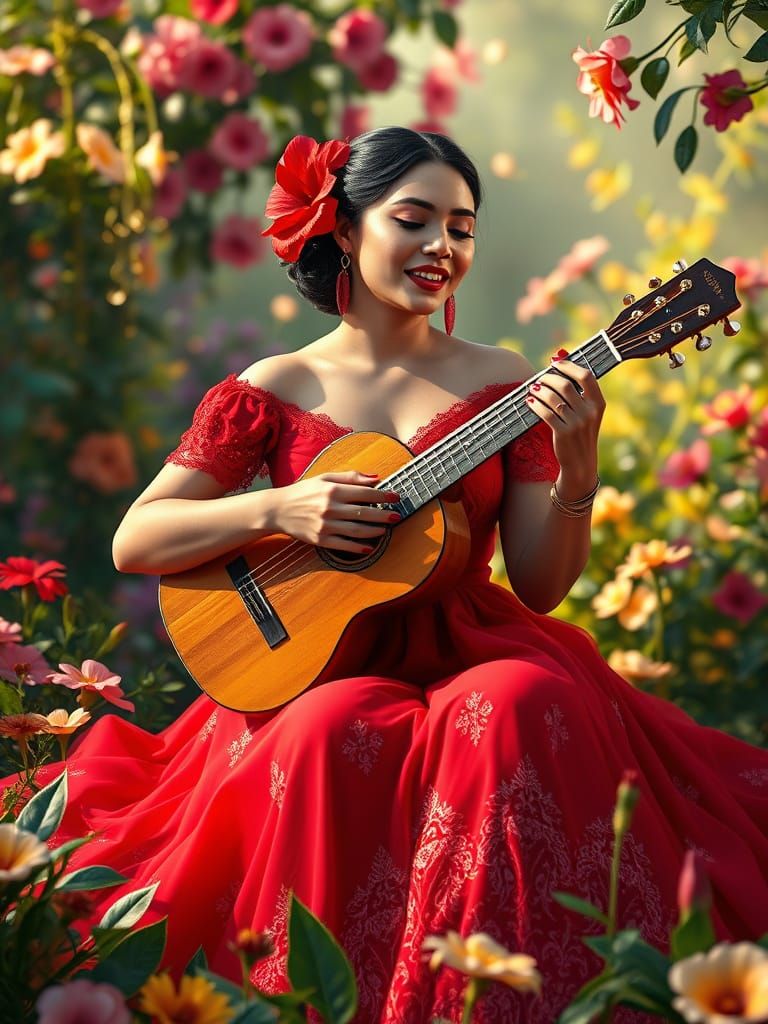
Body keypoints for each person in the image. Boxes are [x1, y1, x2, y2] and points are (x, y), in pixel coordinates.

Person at [31, 127, 768, 1023]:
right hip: (316, 654)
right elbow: (138, 537)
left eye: (462, 228)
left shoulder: (505, 383)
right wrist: (279, 509)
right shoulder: (277, 383)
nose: (441, 248)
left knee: (518, 705)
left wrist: (579, 468)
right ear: (343, 228)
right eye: (413, 220)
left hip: (475, 641)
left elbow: (539, 584)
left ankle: (502, 1001)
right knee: (328, 729)